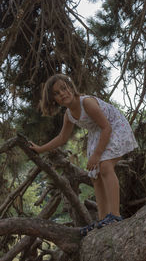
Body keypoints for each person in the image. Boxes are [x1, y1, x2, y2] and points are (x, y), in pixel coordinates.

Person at [29, 73, 138, 236]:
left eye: (64, 89)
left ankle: (115, 215)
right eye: (57, 94)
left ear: (71, 87)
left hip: (114, 128)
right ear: (54, 100)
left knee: (105, 166)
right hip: (98, 134)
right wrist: (40, 149)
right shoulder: (69, 115)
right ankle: (103, 219)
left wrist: (97, 154)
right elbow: (62, 138)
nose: (62, 94)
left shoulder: (86, 103)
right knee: (95, 175)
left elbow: (106, 127)